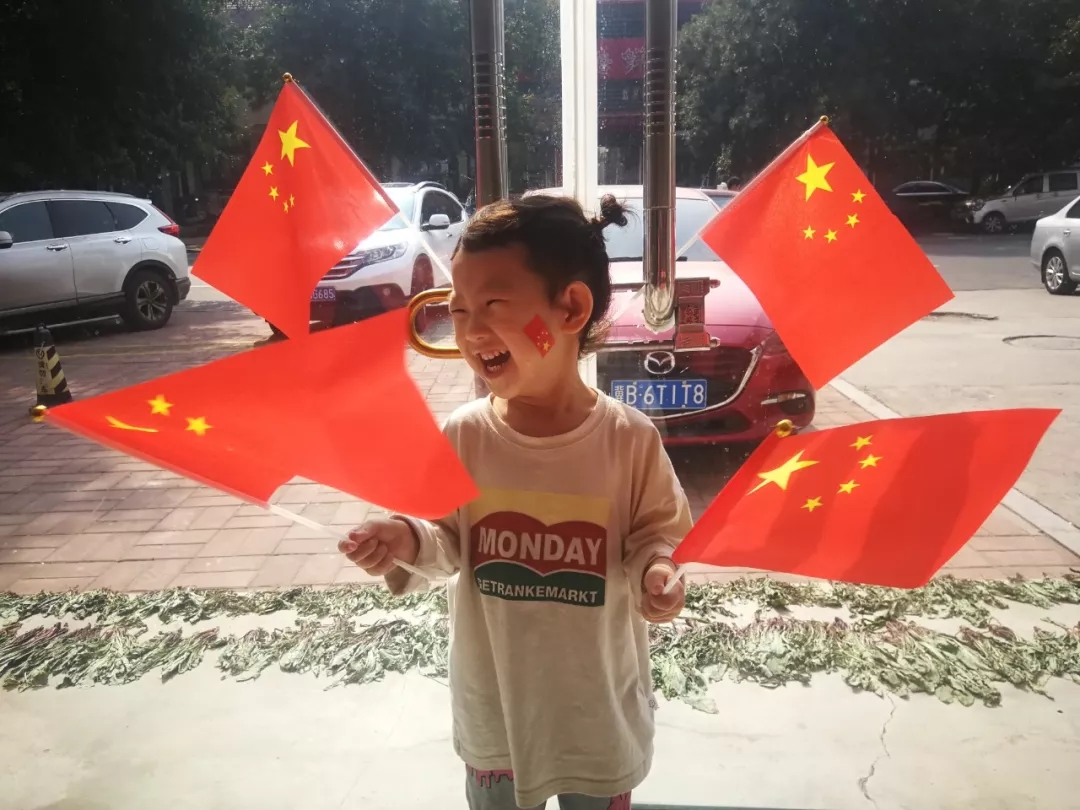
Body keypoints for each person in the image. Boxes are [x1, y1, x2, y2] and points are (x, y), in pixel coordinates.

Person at [339, 193, 693, 810]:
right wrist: (407, 539)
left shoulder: (629, 440)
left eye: (494, 306)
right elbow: (447, 542)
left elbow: (655, 536)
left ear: (571, 307)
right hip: (495, 714)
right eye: (459, 309)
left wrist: (657, 572)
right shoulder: (465, 436)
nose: (471, 331)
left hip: (595, 717)